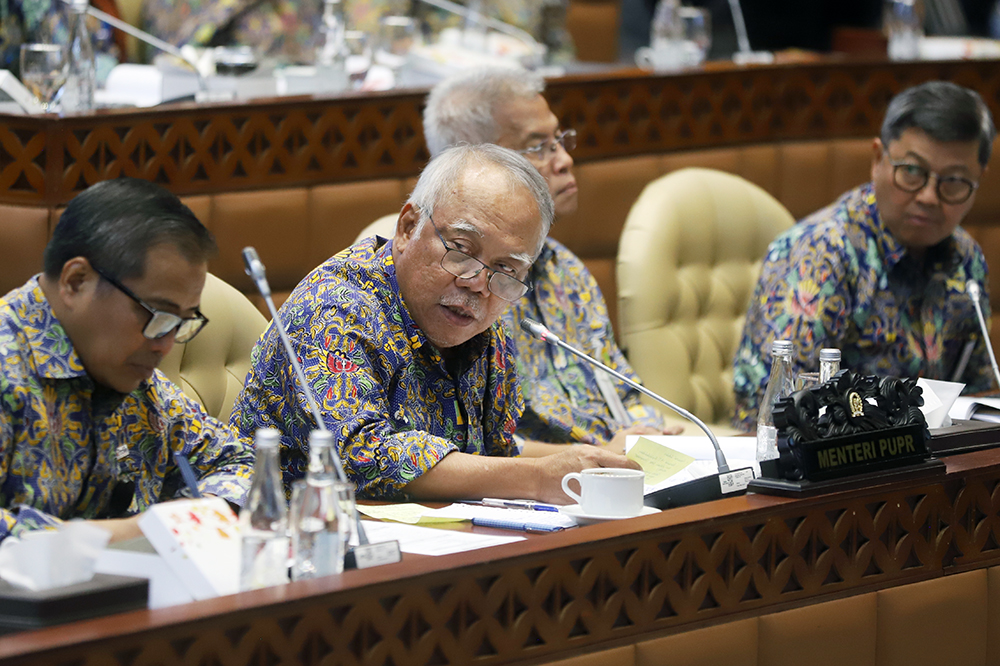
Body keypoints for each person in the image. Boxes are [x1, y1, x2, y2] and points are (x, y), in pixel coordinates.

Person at [231, 144, 636, 502]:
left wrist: (602, 461)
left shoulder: (489, 327)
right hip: (299, 548)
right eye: (461, 250)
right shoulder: (332, 308)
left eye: (506, 269)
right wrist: (535, 478)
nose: (477, 283)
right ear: (408, 228)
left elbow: (492, 454)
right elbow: (362, 456)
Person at [422, 66, 676, 456]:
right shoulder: (449, 284)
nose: (564, 160)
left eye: (558, 140)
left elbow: (624, 392)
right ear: (474, 164)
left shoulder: (565, 268)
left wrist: (655, 432)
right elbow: (470, 447)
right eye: (537, 146)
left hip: (622, 465)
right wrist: (603, 456)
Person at [0, 177, 255, 543]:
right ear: (76, 282)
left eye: (181, 323)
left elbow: (239, 462)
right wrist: (124, 534)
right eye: (158, 317)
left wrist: (195, 517)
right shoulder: (7, 364)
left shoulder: (142, 387)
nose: (166, 345)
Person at [732, 81, 996, 431]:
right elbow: (772, 406)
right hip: (821, 467)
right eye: (913, 172)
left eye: (954, 181)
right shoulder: (822, 255)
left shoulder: (966, 259)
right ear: (877, 160)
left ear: (979, 180)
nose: (930, 197)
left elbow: (977, 397)